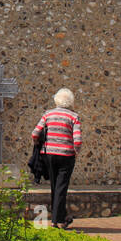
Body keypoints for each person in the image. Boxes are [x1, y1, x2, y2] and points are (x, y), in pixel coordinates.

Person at [31, 88, 82, 228]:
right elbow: (77, 140)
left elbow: (35, 133)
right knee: (61, 187)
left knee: (55, 186)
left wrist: (38, 144)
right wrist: (76, 152)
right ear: (71, 101)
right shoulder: (73, 117)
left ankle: (58, 218)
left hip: (49, 155)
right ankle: (58, 220)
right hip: (66, 155)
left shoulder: (48, 114)